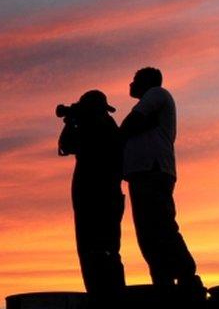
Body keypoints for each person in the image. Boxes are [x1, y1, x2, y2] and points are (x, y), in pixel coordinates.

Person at [119, 67, 203, 293]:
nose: (131, 84)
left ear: (146, 82)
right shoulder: (151, 100)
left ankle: (187, 278)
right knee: (148, 233)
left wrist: (117, 137)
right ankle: (163, 283)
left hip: (152, 171)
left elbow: (132, 123)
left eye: (135, 80)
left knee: (161, 226)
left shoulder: (157, 94)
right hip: (141, 173)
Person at [58, 89, 126, 296]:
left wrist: (72, 122)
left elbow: (66, 145)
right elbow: (65, 147)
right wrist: (72, 121)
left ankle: (105, 296)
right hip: (102, 195)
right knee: (103, 250)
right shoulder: (106, 125)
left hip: (94, 195)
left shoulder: (99, 127)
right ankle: (108, 295)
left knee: (97, 250)